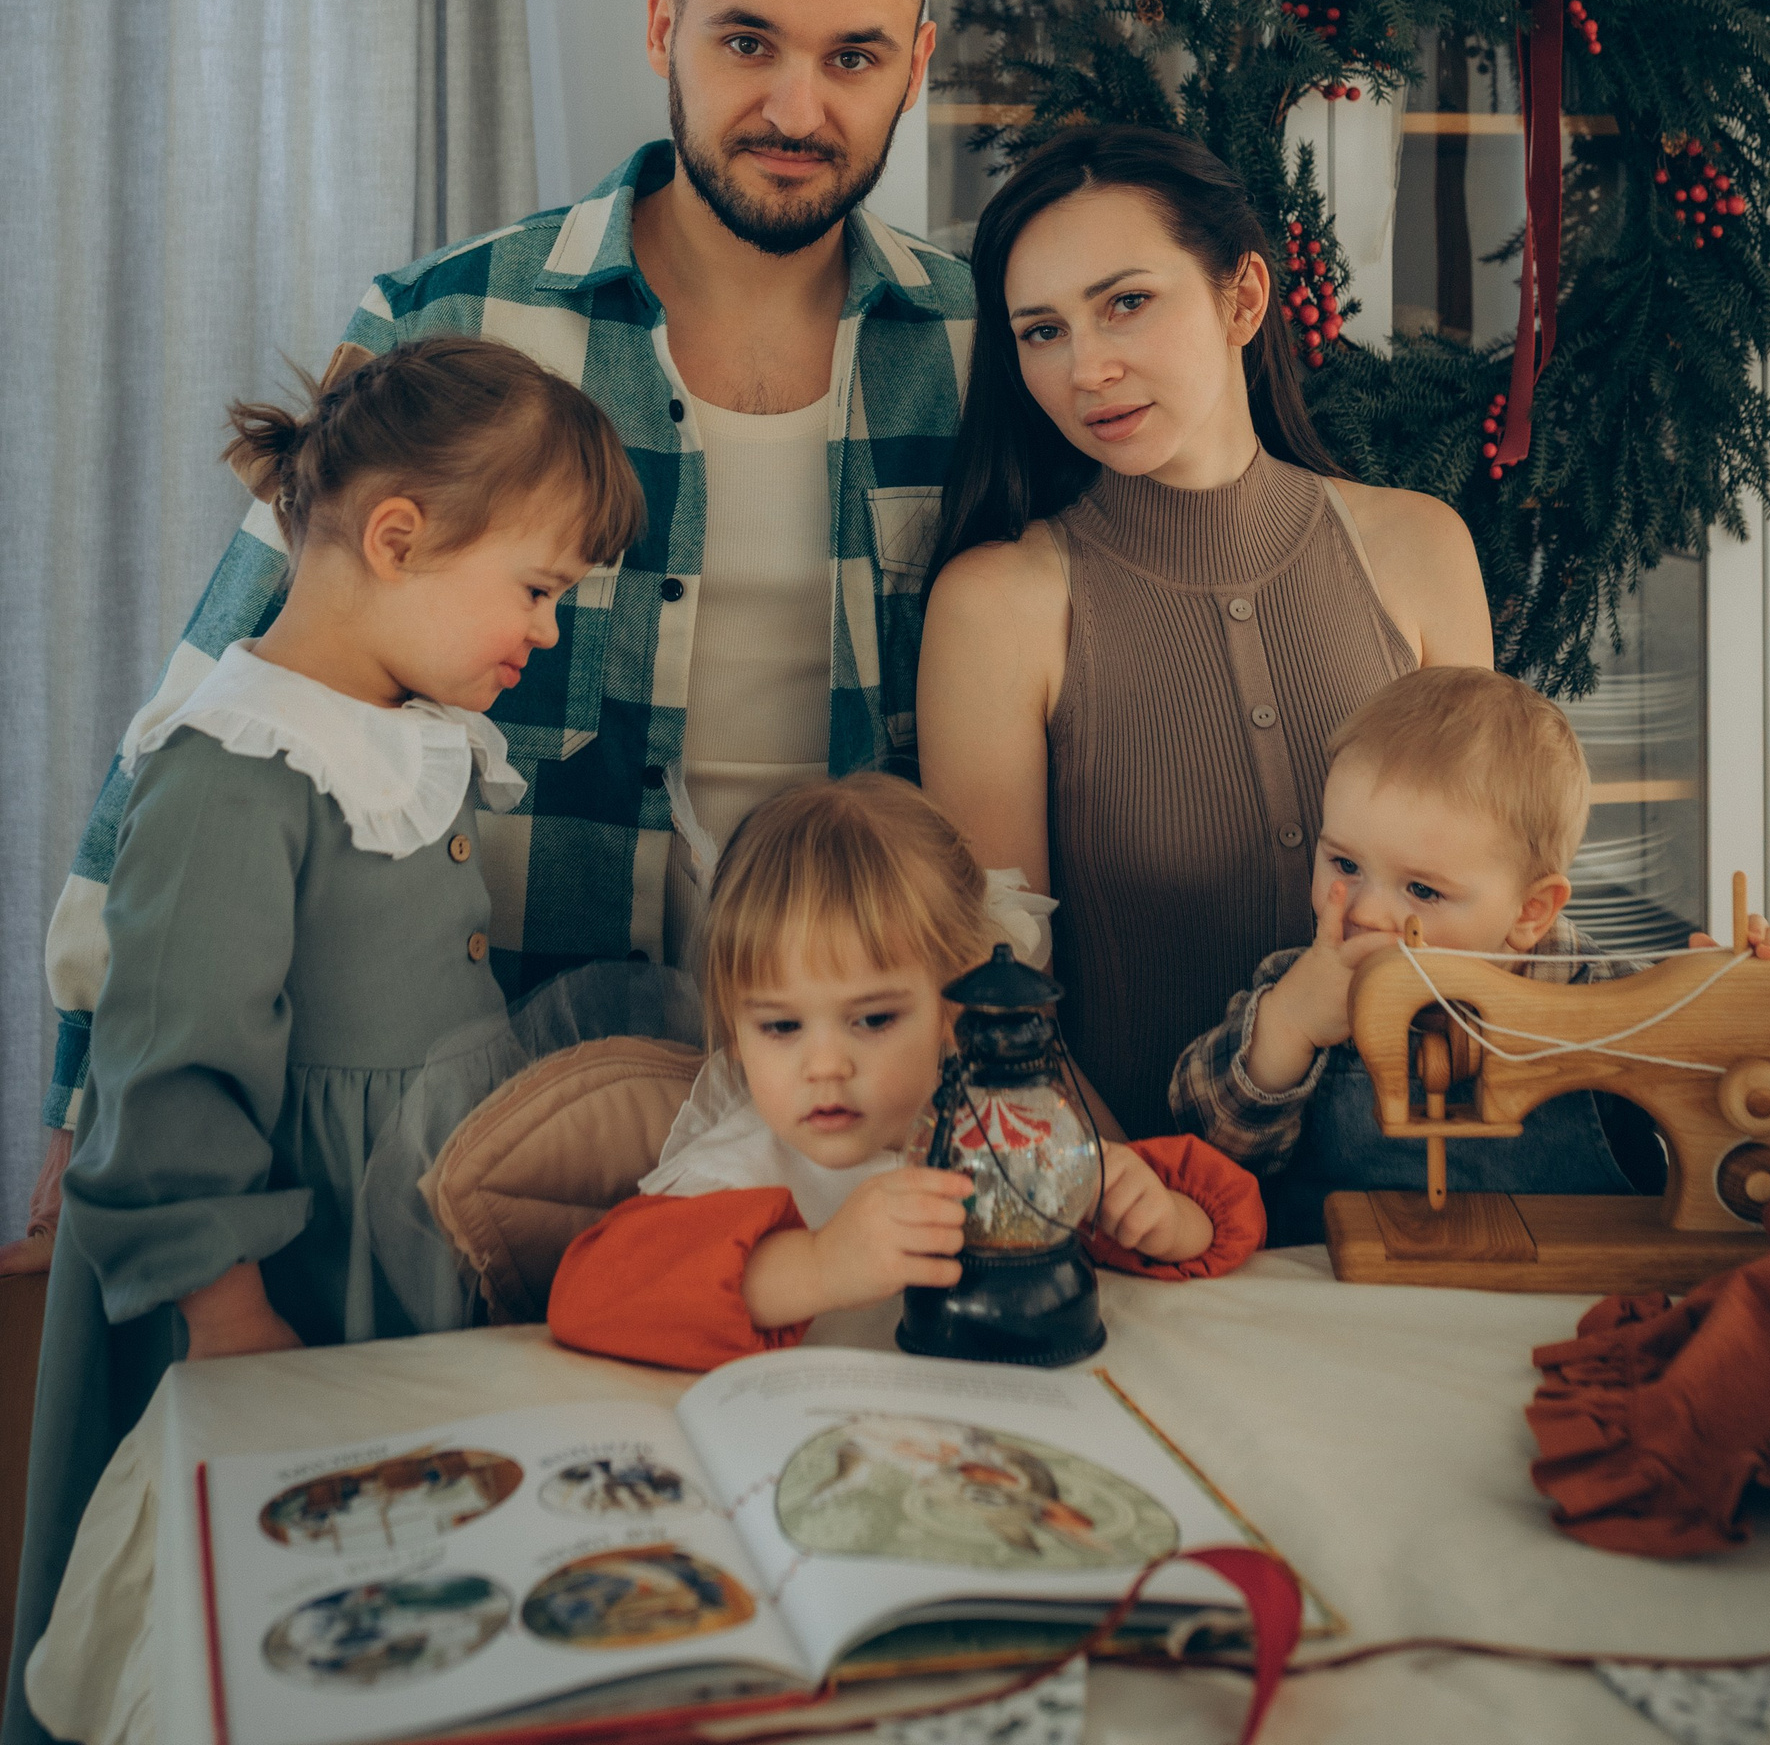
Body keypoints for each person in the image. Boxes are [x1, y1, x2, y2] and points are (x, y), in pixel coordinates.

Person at [9, 0, 973, 1265]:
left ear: (917, 65)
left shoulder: (980, 350)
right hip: (498, 1122)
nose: (794, 105)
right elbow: (226, 682)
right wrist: (83, 1091)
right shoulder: (449, 321)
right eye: (746, 42)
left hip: (842, 1114)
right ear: (663, 25)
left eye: (853, 57)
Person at [5, 338, 648, 1745]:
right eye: (537, 590)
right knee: (277, 1608)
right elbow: (169, 1078)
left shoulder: (393, 728)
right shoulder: (235, 767)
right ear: (398, 538)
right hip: (283, 1274)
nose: (547, 632)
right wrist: (230, 1315)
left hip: (406, 1237)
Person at [917, 126, 1491, 1141]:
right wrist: (1130, 1195)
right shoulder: (997, 606)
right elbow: (999, 1004)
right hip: (1138, 1199)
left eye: (1126, 303)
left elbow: (1496, 914)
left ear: (1244, 298)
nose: (1088, 368)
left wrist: (1715, 993)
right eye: (1042, 331)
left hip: (1423, 1186)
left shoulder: (1422, 550)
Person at [547, 780, 1263, 1370]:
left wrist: (1164, 1219)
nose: (825, 1066)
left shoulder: (997, 1136)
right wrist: (820, 1266)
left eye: (872, 1019)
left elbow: (1226, 1214)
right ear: (735, 1036)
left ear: (956, 1010)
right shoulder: (740, 1169)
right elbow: (589, 1295)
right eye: (781, 1027)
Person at [1170, 666, 1770, 1242]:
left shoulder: (1613, 995)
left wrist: (1759, 1015)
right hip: (1346, 1294)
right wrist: (1288, 1026)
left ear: (1529, 912)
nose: (1366, 912)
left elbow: (1746, 1113)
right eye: (1344, 863)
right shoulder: (1303, 983)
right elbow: (1208, 1148)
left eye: (1422, 889)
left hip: (1568, 1297)